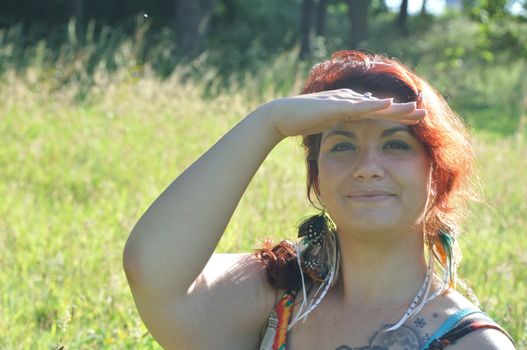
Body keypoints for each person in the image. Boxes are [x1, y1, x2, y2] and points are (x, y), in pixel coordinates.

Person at [123, 50, 516, 349]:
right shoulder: (279, 292)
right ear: (317, 180)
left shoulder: (471, 341)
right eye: (342, 147)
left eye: (396, 144)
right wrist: (269, 122)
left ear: (437, 175)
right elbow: (153, 272)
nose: (367, 167)